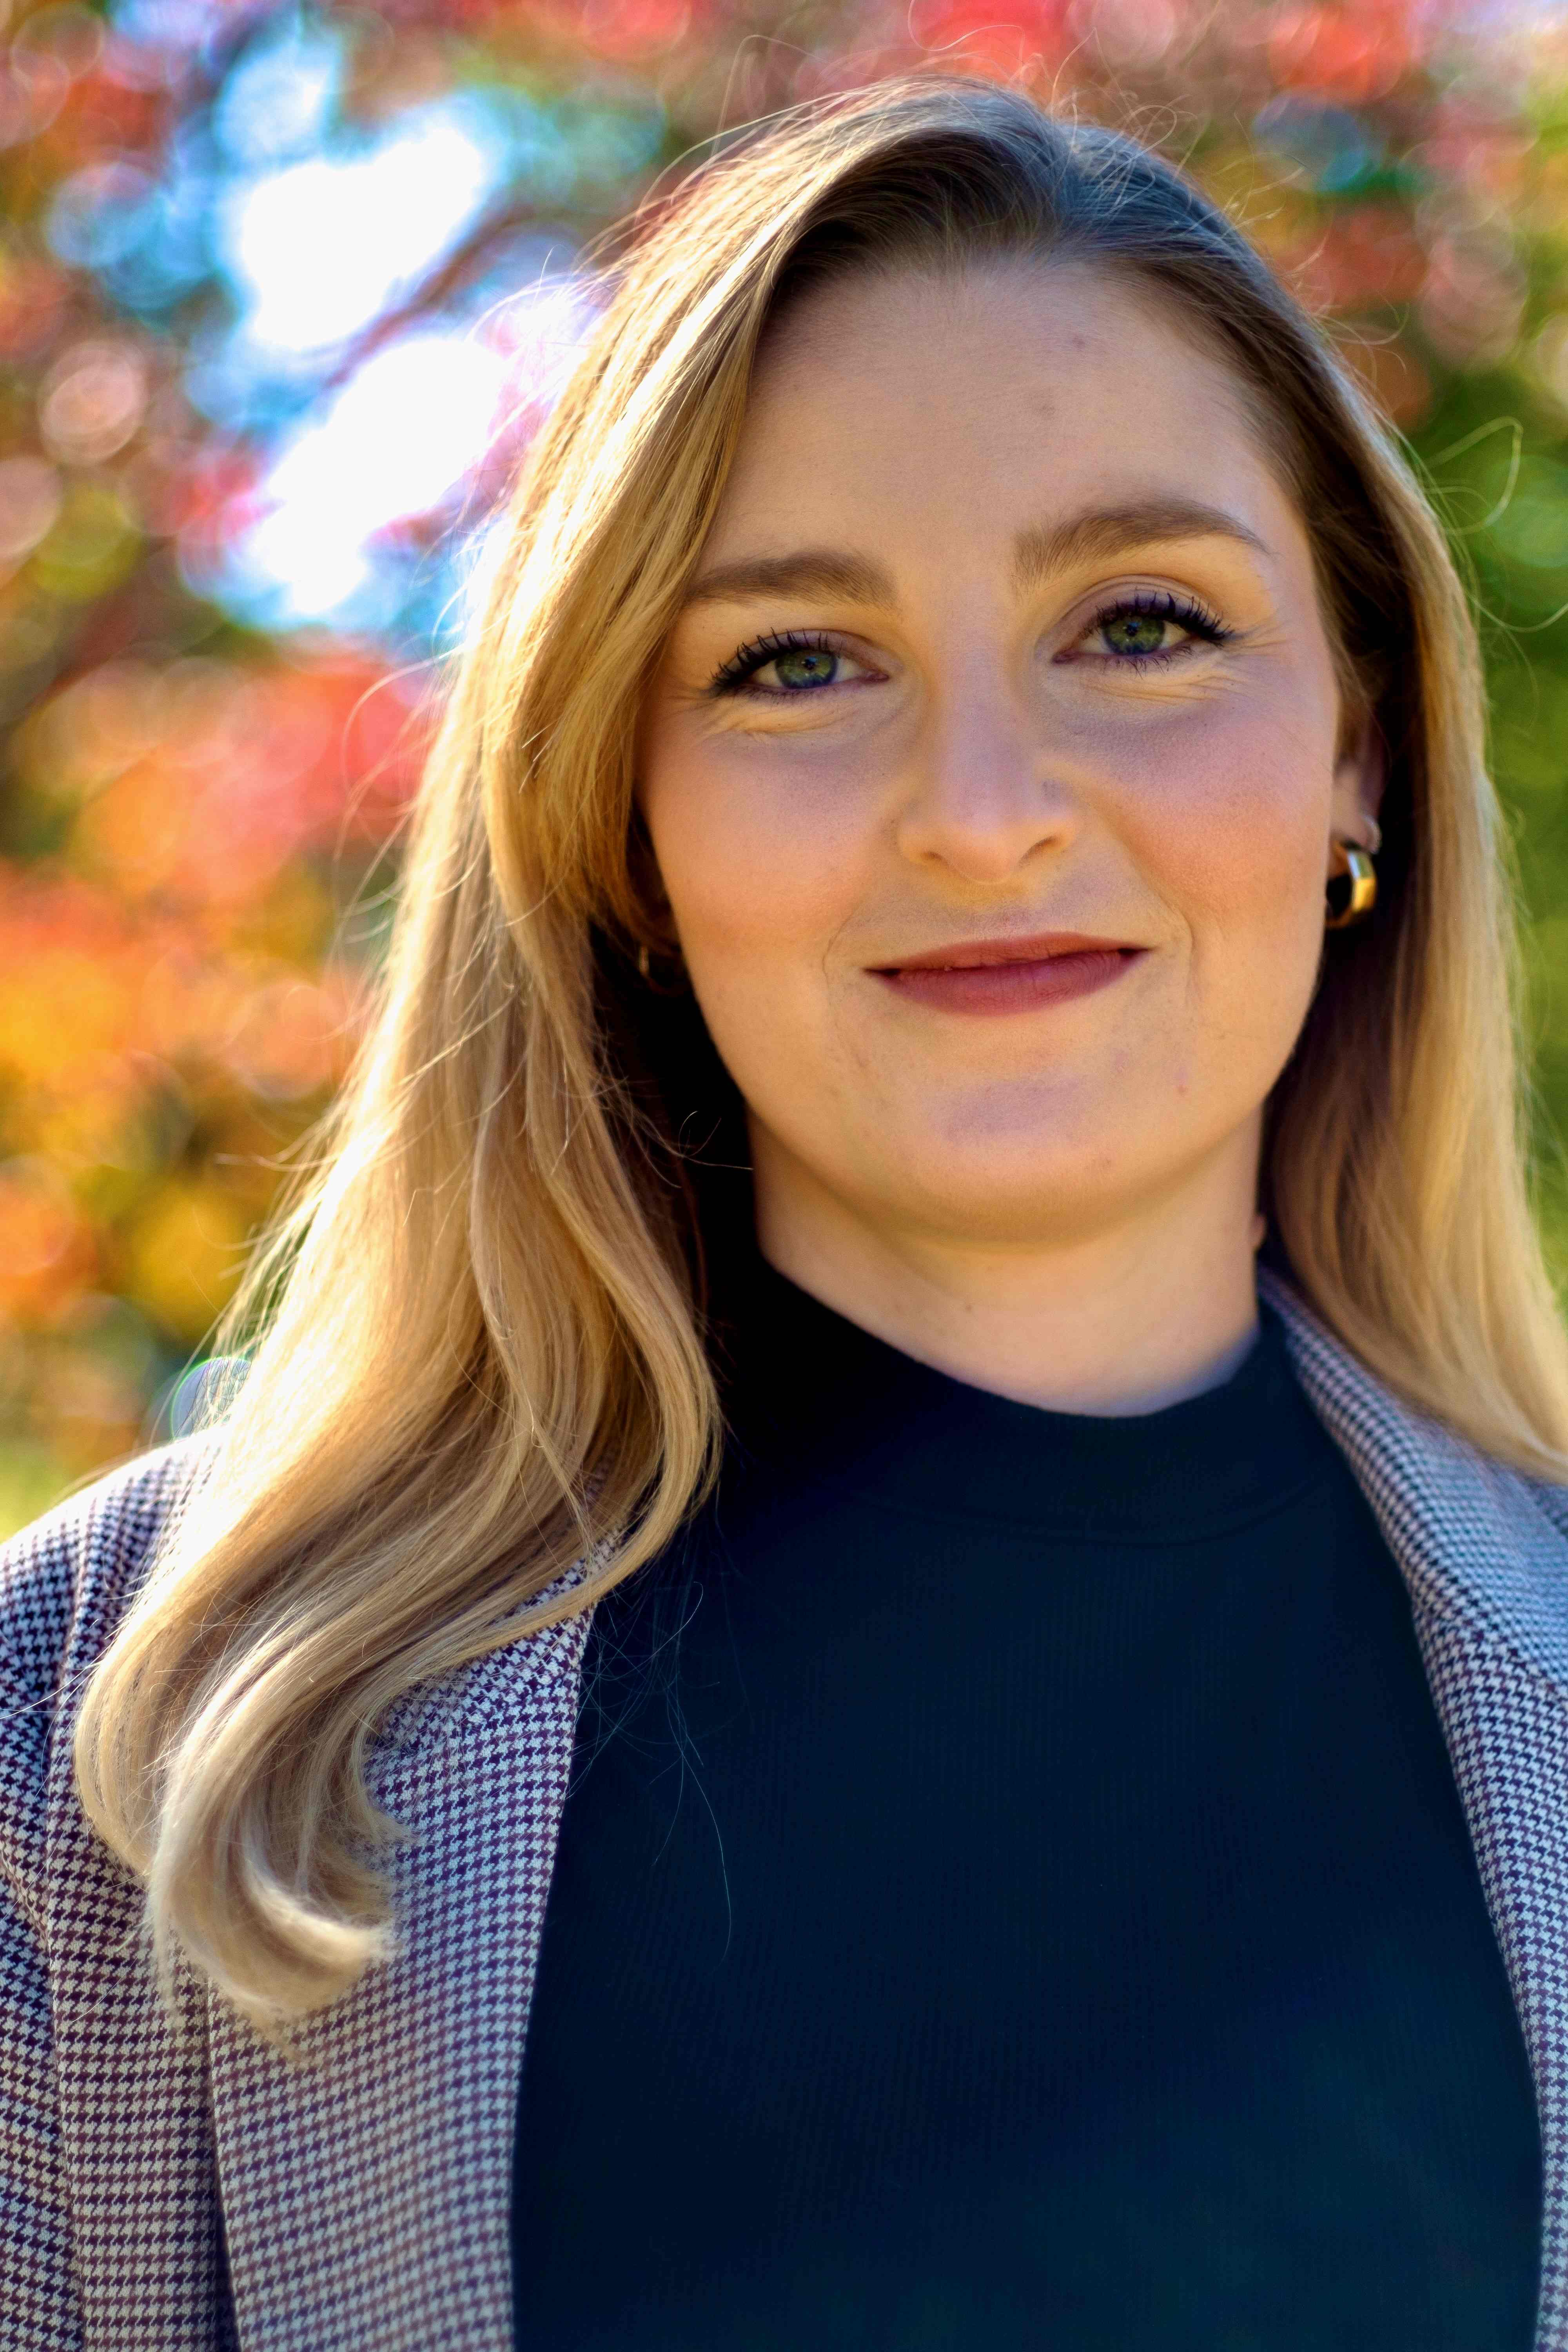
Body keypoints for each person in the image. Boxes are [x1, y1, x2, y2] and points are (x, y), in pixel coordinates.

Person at [4, 70, 1568, 2352]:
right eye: (793, 664)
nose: (984, 811)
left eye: (1141, 625)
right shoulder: (109, 1736)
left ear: (1363, 739)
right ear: (619, 833)